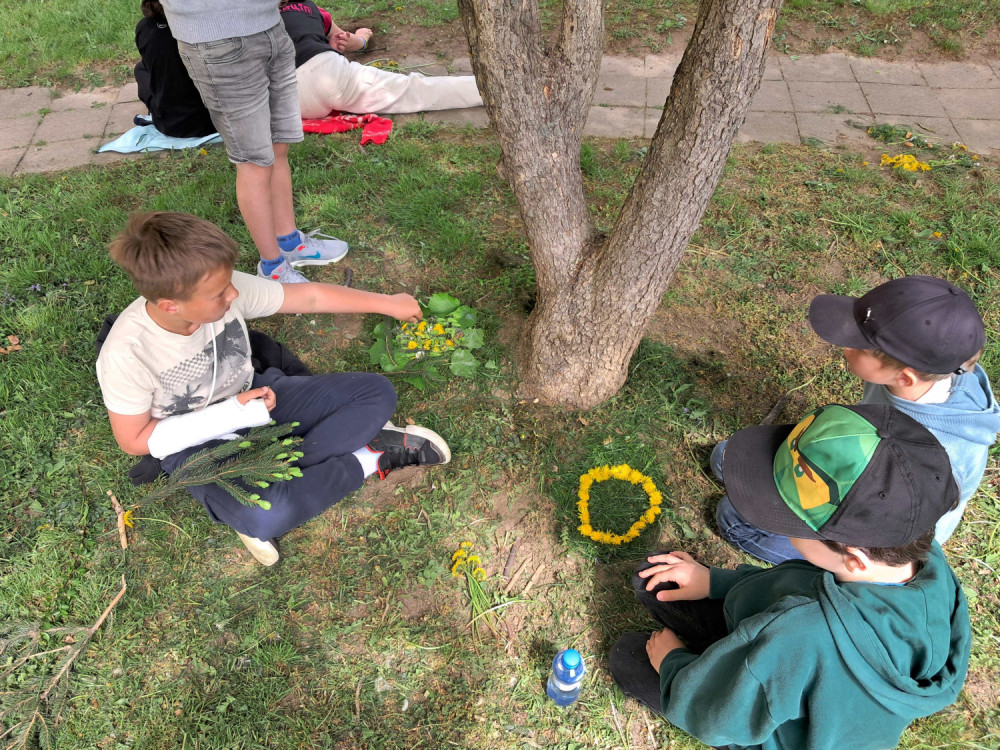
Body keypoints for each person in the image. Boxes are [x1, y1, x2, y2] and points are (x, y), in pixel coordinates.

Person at [96, 212, 451, 566]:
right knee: (265, 516)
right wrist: (233, 413)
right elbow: (133, 440)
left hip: (261, 398)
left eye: (229, 282)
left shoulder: (218, 286)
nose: (234, 293)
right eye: (220, 293)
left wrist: (387, 303)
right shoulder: (126, 354)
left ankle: (281, 473)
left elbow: (309, 298)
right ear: (171, 306)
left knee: (375, 393)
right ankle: (369, 457)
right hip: (194, 444)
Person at [609, 403, 971, 750]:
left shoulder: (803, 632)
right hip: (791, 651)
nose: (779, 523)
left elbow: (715, 718)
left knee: (629, 656)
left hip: (775, 719)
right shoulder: (921, 560)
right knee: (651, 578)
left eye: (790, 520)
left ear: (855, 559)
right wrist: (716, 582)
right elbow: (794, 588)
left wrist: (672, 664)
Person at [714, 275, 1000, 563]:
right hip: (859, 466)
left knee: (733, 518)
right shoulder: (928, 371)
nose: (845, 347)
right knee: (724, 458)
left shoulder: (937, 455)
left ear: (905, 377)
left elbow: (886, 527)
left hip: (873, 528)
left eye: (859, 347)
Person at [158, 0, 350, 284]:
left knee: (278, 145)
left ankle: (289, 242)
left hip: (271, 26)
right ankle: (273, 268)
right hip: (216, 40)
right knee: (254, 162)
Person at [278, 1, 482, 119]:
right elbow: (351, 42)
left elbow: (345, 40)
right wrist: (361, 38)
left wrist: (353, 39)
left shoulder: (259, 15)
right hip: (327, 72)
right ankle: (483, 90)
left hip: (287, 101)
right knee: (413, 90)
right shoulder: (308, 6)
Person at [134, 0, 216, 139]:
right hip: (217, 119)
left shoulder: (145, 28)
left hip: (172, 125)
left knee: (140, 68)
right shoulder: (208, 24)